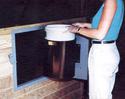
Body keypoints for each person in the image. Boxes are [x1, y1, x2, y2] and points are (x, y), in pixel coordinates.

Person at [68, 0, 124, 99]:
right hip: (108, 50)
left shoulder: (110, 1)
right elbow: (108, 26)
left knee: (99, 96)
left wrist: (77, 30)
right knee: (102, 94)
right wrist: (85, 25)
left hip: (102, 53)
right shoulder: (118, 1)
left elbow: (100, 34)